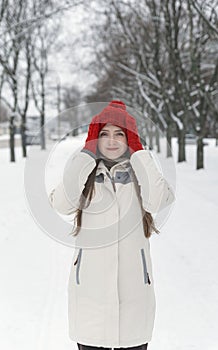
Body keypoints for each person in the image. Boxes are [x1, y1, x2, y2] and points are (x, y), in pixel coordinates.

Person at [49, 100, 175, 350]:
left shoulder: (144, 172)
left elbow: (157, 201)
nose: (111, 140)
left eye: (120, 133)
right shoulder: (83, 172)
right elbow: (62, 204)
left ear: (131, 138)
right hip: (90, 300)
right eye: (103, 133)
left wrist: (139, 153)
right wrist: (87, 153)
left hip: (134, 299)